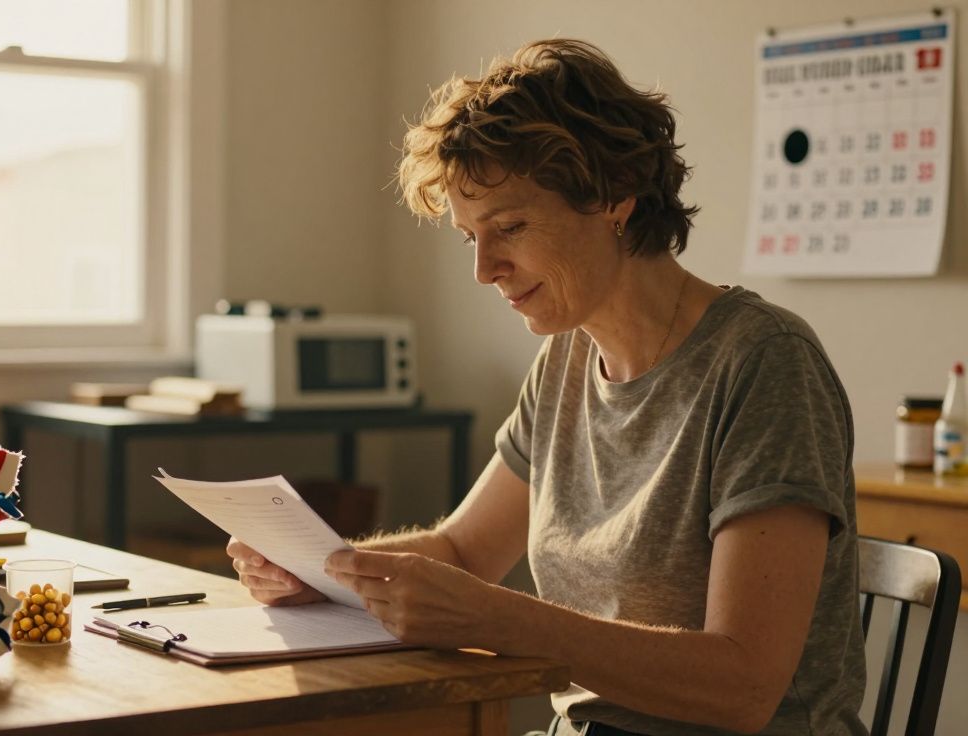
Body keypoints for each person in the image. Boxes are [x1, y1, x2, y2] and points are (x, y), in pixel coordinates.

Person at [226, 38, 865, 736]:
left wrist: (500, 617)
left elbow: (744, 688)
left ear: (615, 195)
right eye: (472, 238)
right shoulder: (566, 358)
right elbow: (465, 551)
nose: (486, 269)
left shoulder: (764, 362)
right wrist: (320, 569)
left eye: (511, 227)